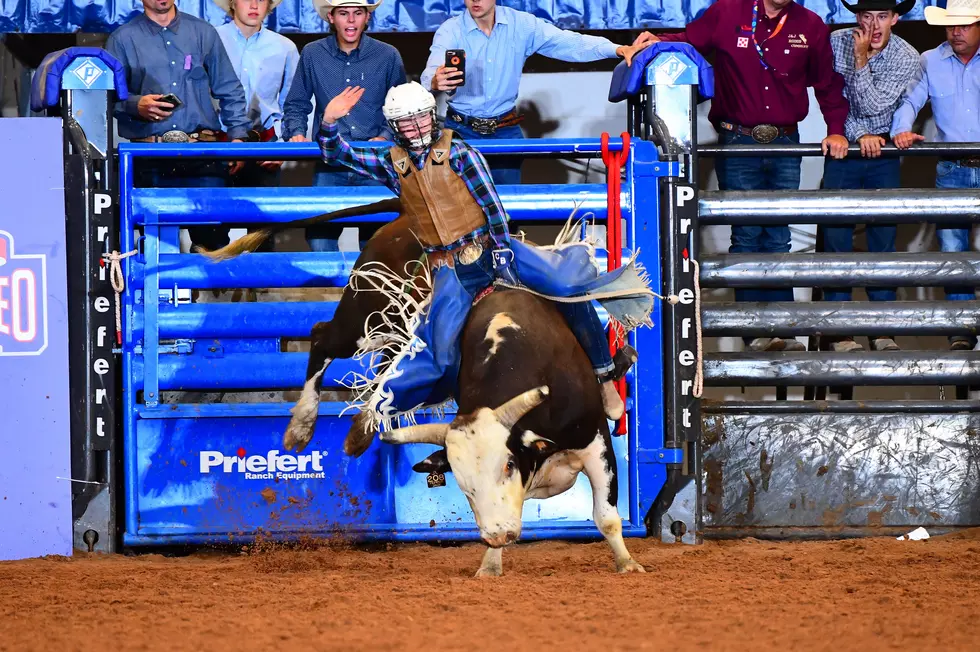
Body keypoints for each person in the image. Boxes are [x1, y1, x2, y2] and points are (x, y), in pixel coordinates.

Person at [317, 82, 651, 437]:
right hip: (448, 267)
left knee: (567, 286)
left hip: (489, 246)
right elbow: (335, 154)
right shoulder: (392, 162)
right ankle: (398, 409)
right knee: (440, 354)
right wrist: (328, 121)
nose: (416, 128)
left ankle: (602, 375)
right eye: (407, 123)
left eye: (420, 119)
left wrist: (503, 248)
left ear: (431, 116)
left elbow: (491, 203)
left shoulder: (459, 152)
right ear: (395, 127)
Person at [634, 0, 851, 352]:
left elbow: (827, 84)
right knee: (748, 233)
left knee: (778, 234)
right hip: (737, 139)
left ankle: (781, 329)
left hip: (784, 141)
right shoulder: (728, 12)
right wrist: (654, 41)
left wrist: (836, 129)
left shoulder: (810, 25)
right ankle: (753, 331)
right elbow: (689, 40)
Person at [419, 0, 648, 186]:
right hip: (459, 131)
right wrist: (435, 79)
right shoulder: (450, 30)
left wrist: (616, 49)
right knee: (458, 212)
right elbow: (431, 69)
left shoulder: (523, 25)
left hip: (504, 131)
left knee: (509, 210)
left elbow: (569, 42)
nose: (475, 0)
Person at [105, 0, 250, 253]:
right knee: (157, 245)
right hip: (150, 156)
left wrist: (238, 137)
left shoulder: (204, 32)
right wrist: (134, 105)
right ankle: (162, 290)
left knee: (214, 241)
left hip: (203, 152)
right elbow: (106, 97)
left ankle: (210, 289)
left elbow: (230, 88)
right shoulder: (122, 39)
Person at [821, 0, 918, 353]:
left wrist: (860, 61)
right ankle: (840, 331)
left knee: (883, 238)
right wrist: (857, 134)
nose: (873, 25)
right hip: (844, 150)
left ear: (895, 18)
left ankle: (882, 328)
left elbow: (874, 105)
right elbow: (830, 95)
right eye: (866, 16)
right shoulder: (835, 41)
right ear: (856, 17)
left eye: (881, 16)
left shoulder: (907, 55)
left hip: (882, 156)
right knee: (835, 238)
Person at [282, 0, 406, 253]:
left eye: (357, 13)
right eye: (343, 13)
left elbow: (399, 107)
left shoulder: (388, 55)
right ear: (331, 18)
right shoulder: (313, 53)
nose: (351, 20)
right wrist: (295, 132)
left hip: (374, 164)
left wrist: (384, 136)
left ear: (367, 18)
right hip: (329, 162)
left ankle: (369, 292)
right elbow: (296, 102)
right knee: (319, 241)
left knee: (377, 243)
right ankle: (331, 292)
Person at [892, 0, 980, 351]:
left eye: (963, 25)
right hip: (952, 166)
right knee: (953, 250)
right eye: (950, 25)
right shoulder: (930, 60)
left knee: (954, 248)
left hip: (957, 166)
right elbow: (910, 101)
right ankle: (961, 330)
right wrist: (901, 129)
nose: (955, 31)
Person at [215, 0, 299, 193]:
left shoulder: (285, 48)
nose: (254, 5)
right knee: (214, 220)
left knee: (264, 221)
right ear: (232, 3)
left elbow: (291, 104)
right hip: (218, 147)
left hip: (264, 149)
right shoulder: (211, 40)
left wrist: (281, 148)